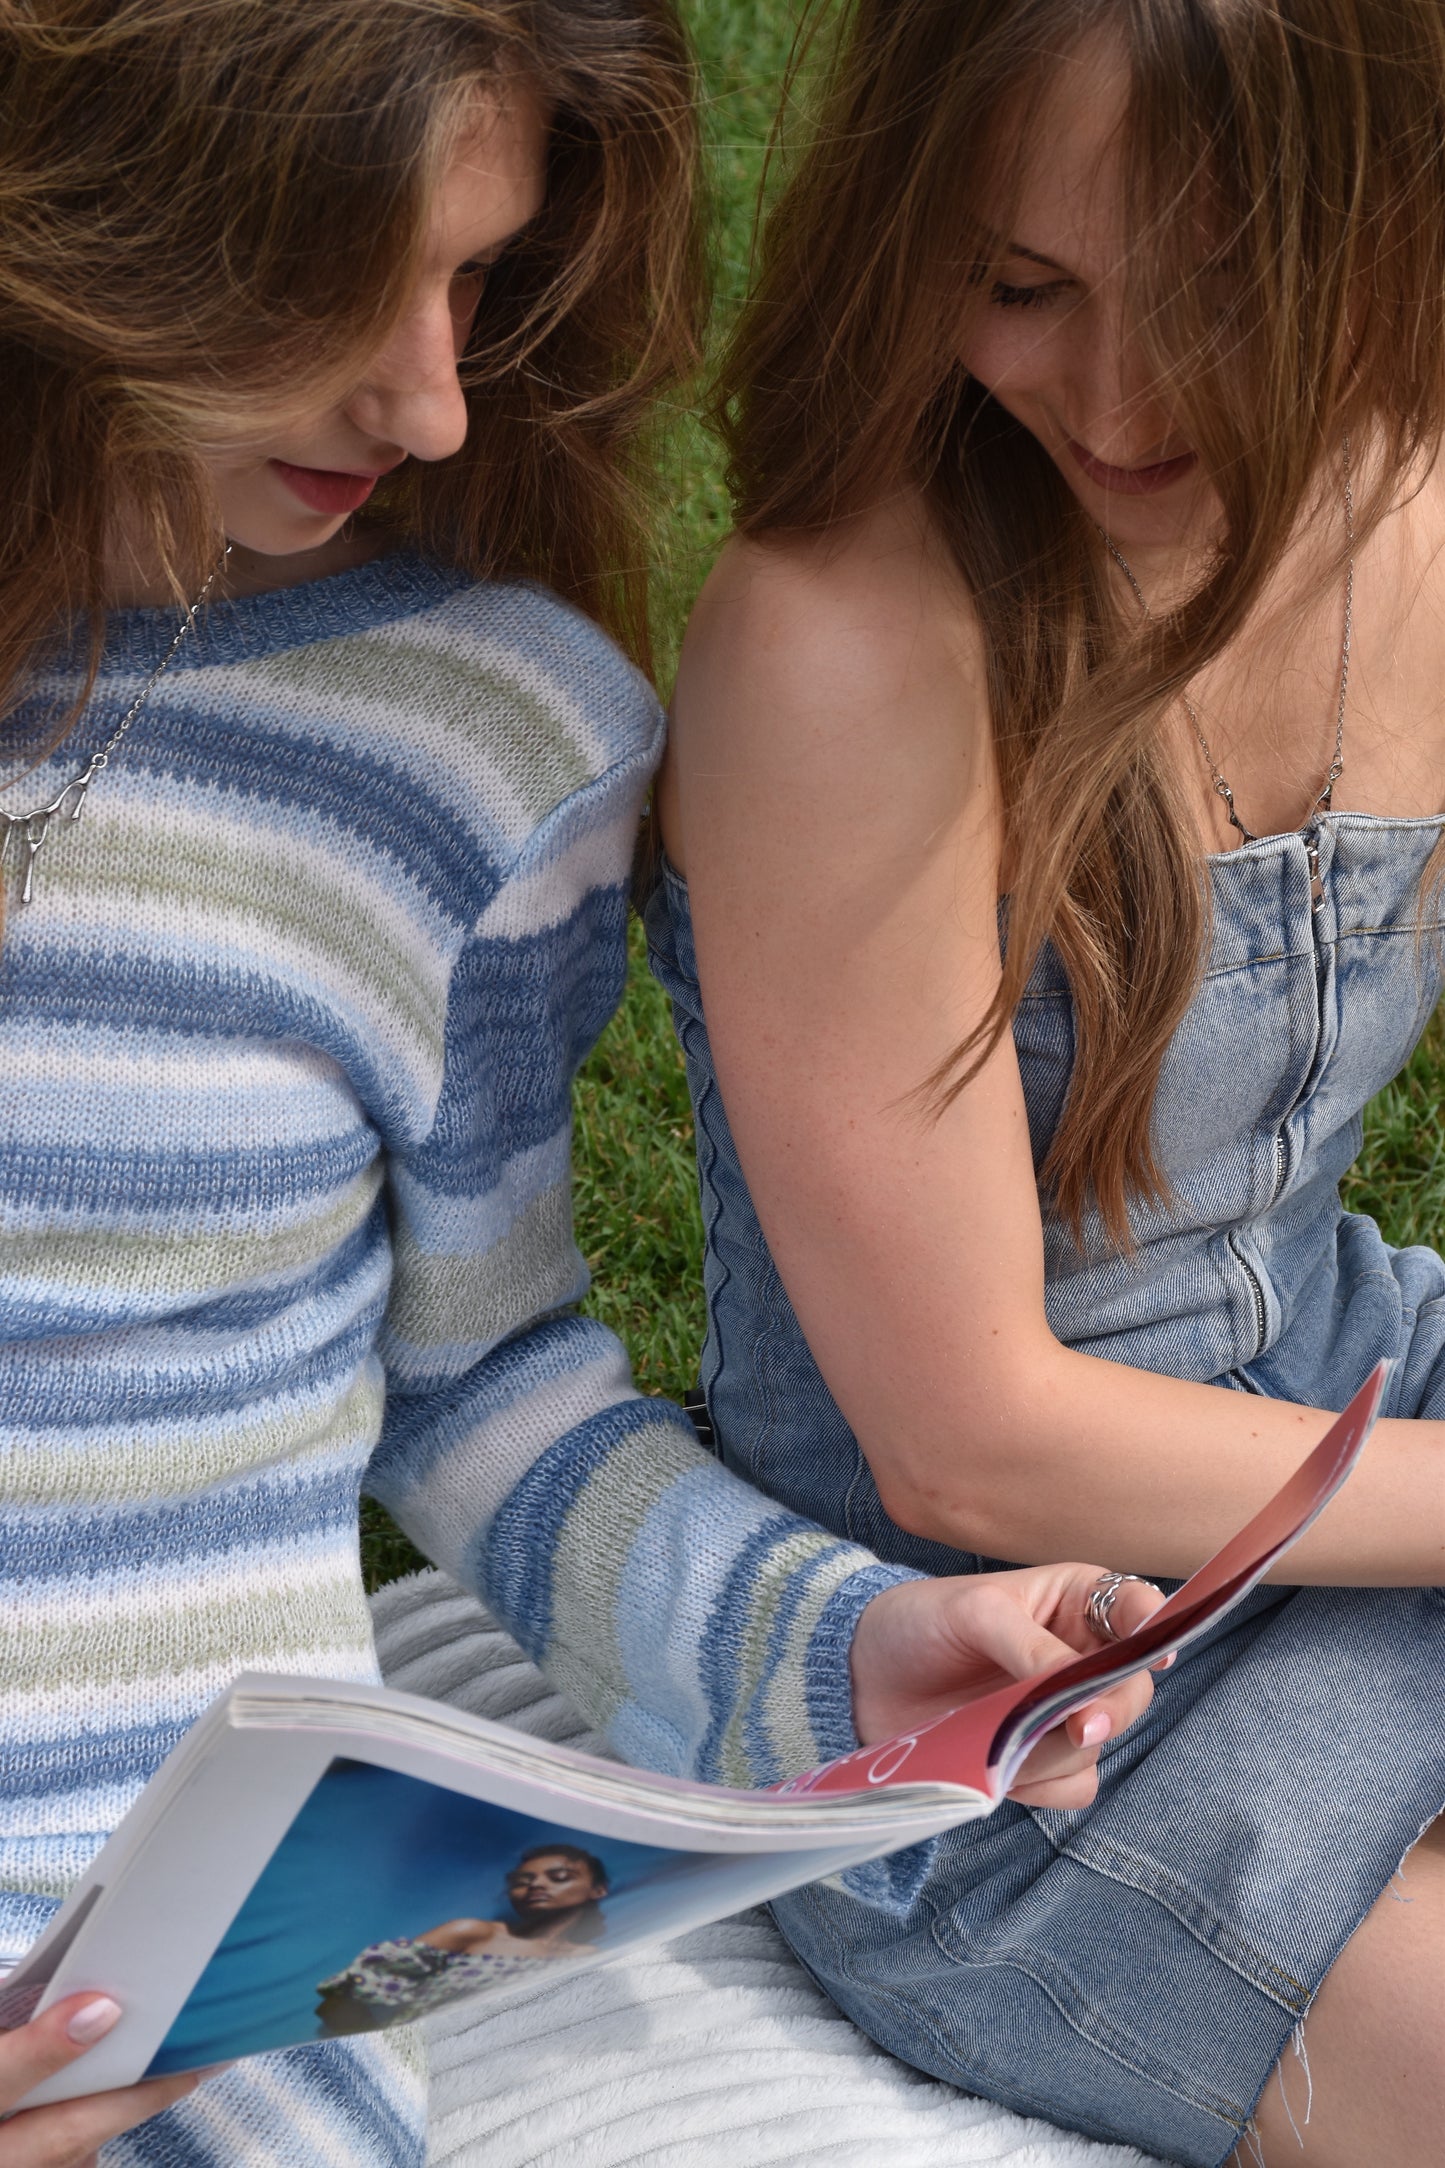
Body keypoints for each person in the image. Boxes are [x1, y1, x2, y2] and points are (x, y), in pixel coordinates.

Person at [0, 3, 1163, 2163]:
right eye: (337, 285)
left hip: (198, 2045)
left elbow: (481, 1390)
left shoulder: (476, 742)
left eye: (473, 283)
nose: (431, 403)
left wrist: (845, 1645)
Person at [650, 3, 1445, 2166]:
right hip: (1020, 1692)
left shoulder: (1407, 477)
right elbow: (969, 1438)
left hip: (1346, 1403)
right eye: (1019, 286)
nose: (1113, 398)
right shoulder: (843, 643)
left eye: (1221, 293)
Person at [315, 1847, 609, 2034]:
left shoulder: (588, 1956)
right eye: (521, 1881)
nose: (536, 1885)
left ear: (597, 1890)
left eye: (559, 1876)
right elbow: (340, 2003)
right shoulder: (472, 1933)